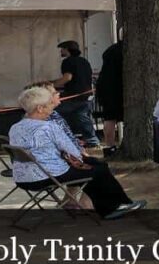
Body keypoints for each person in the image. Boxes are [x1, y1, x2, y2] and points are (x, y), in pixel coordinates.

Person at [9, 86, 145, 219]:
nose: (52, 107)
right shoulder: (48, 126)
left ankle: (105, 204)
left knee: (93, 165)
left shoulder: (15, 127)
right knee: (98, 169)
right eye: (49, 103)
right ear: (39, 108)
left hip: (23, 177)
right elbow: (74, 152)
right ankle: (113, 207)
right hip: (46, 176)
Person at [53, 40, 99, 147]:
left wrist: (51, 85)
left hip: (72, 96)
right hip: (86, 95)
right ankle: (92, 140)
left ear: (67, 50)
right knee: (82, 117)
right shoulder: (84, 61)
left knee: (52, 112)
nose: (61, 51)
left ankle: (59, 138)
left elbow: (67, 78)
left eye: (62, 49)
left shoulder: (67, 62)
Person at [96, 38, 123, 154]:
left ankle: (109, 146)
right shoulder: (126, 51)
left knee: (109, 118)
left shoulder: (110, 50)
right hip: (120, 88)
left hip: (106, 88)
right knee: (112, 118)